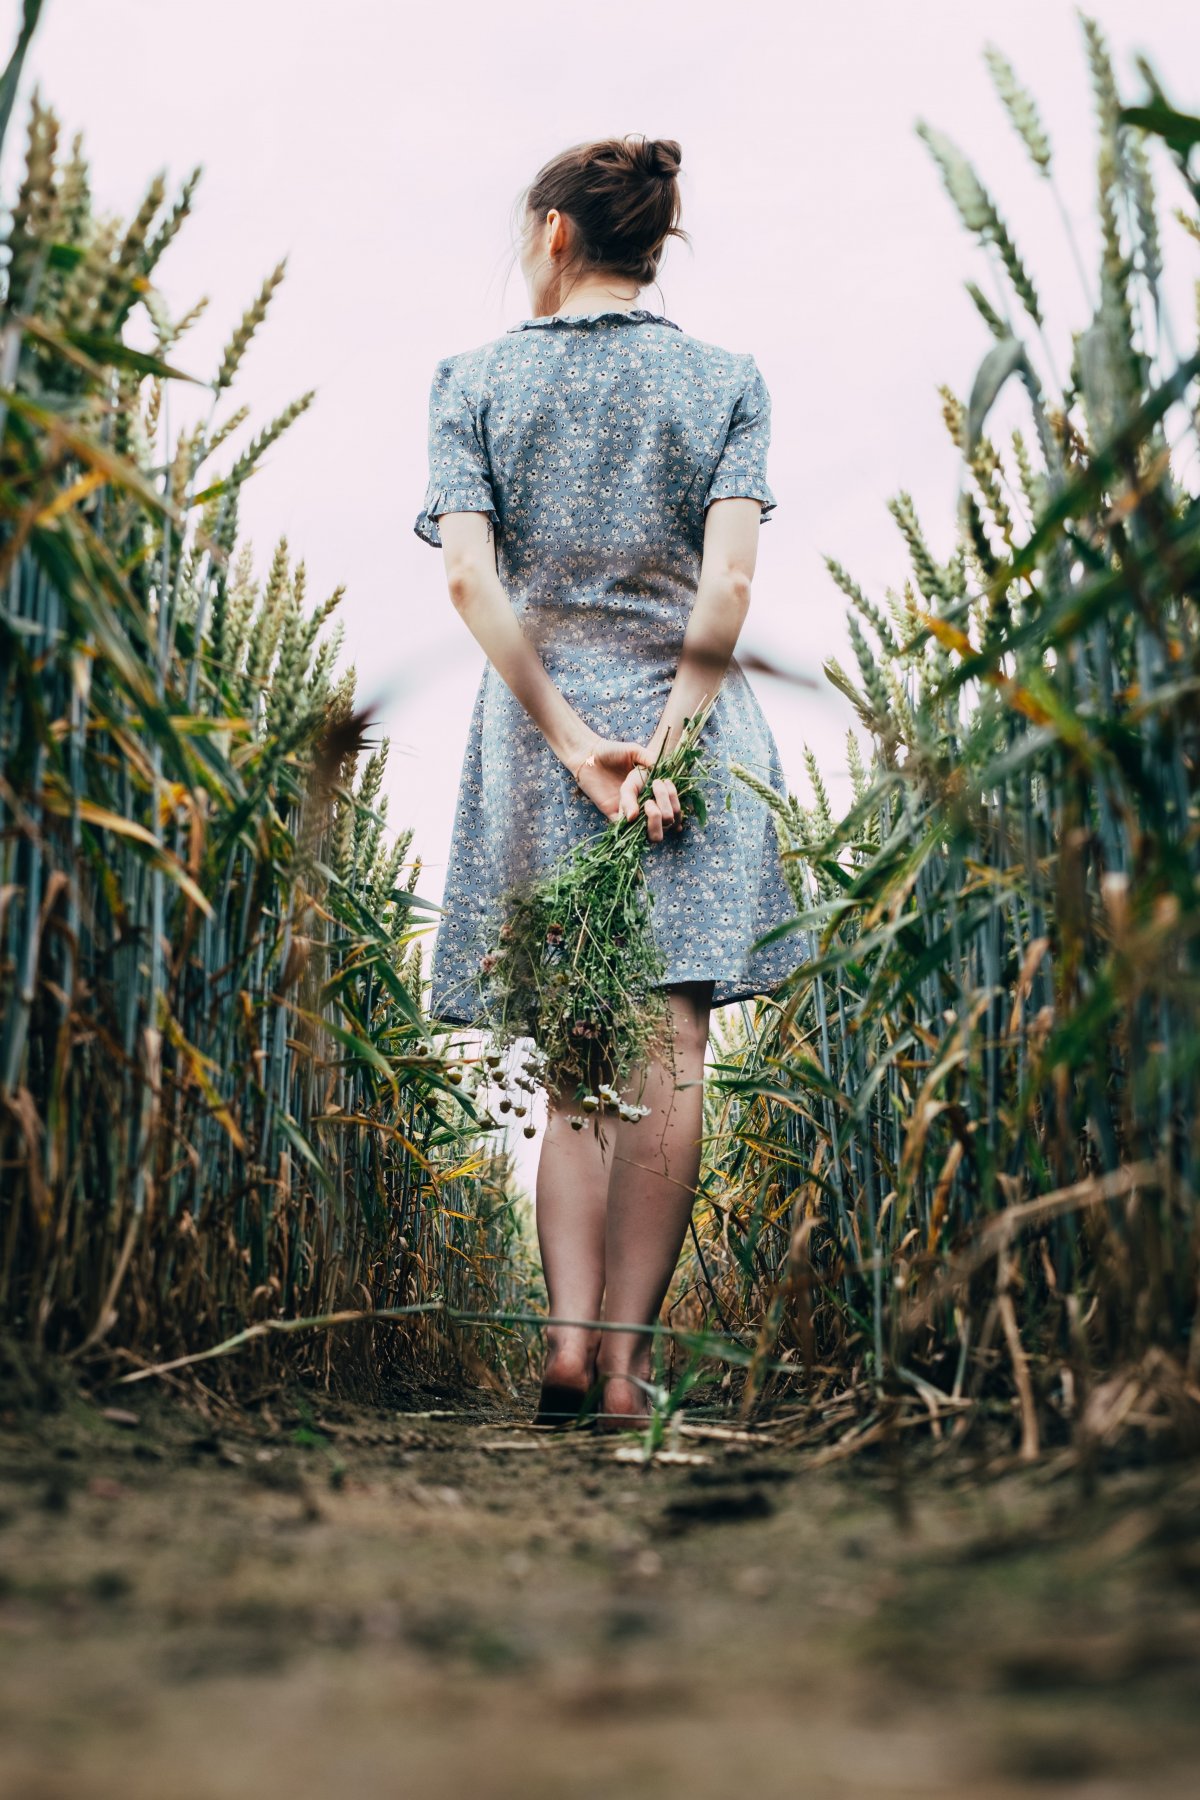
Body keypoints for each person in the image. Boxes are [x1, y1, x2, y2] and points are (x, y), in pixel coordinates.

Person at [414, 134, 797, 1428]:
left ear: (558, 234)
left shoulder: (469, 382)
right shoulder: (727, 380)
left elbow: (470, 581)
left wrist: (578, 747)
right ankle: (630, 1368)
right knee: (675, 1040)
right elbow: (730, 585)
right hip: (692, 734)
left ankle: (566, 1347)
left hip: (537, 739)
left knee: (578, 1048)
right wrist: (669, 749)